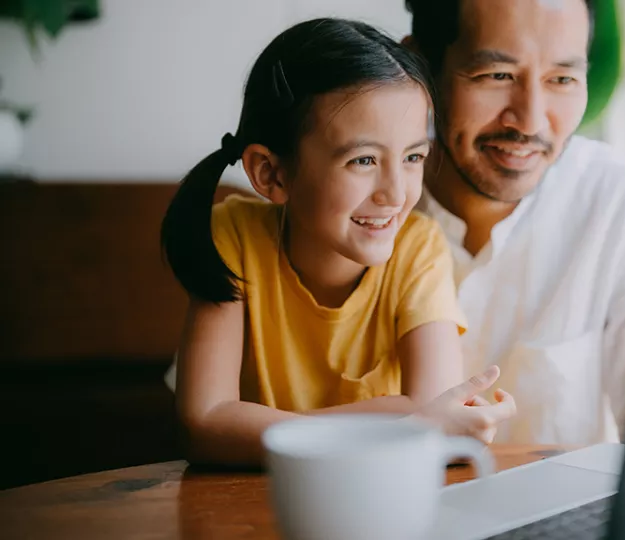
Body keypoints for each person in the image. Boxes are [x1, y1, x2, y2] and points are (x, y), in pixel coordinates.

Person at [161, 18, 515, 466]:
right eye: (363, 159)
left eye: (412, 157)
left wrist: (258, 427)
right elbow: (204, 424)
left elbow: (433, 415)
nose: (397, 192)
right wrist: (399, 424)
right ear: (271, 173)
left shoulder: (419, 249)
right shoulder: (235, 235)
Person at [403, 0, 625, 445]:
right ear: (419, 67)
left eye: (562, 79)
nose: (530, 119)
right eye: (497, 76)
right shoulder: (355, 210)